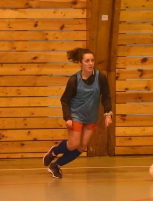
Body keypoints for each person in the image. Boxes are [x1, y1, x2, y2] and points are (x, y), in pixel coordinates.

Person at [42, 47, 112, 178]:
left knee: (81, 147)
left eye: (92, 60)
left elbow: (106, 96)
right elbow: (64, 100)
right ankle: (54, 152)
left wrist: (108, 114)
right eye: (87, 61)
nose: (90, 63)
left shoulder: (100, 77)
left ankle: (56, 166)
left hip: (91, 117)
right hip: (76, 115)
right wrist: (68, 117)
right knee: (74, 144)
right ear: (80, 63)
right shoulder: (74, 80)